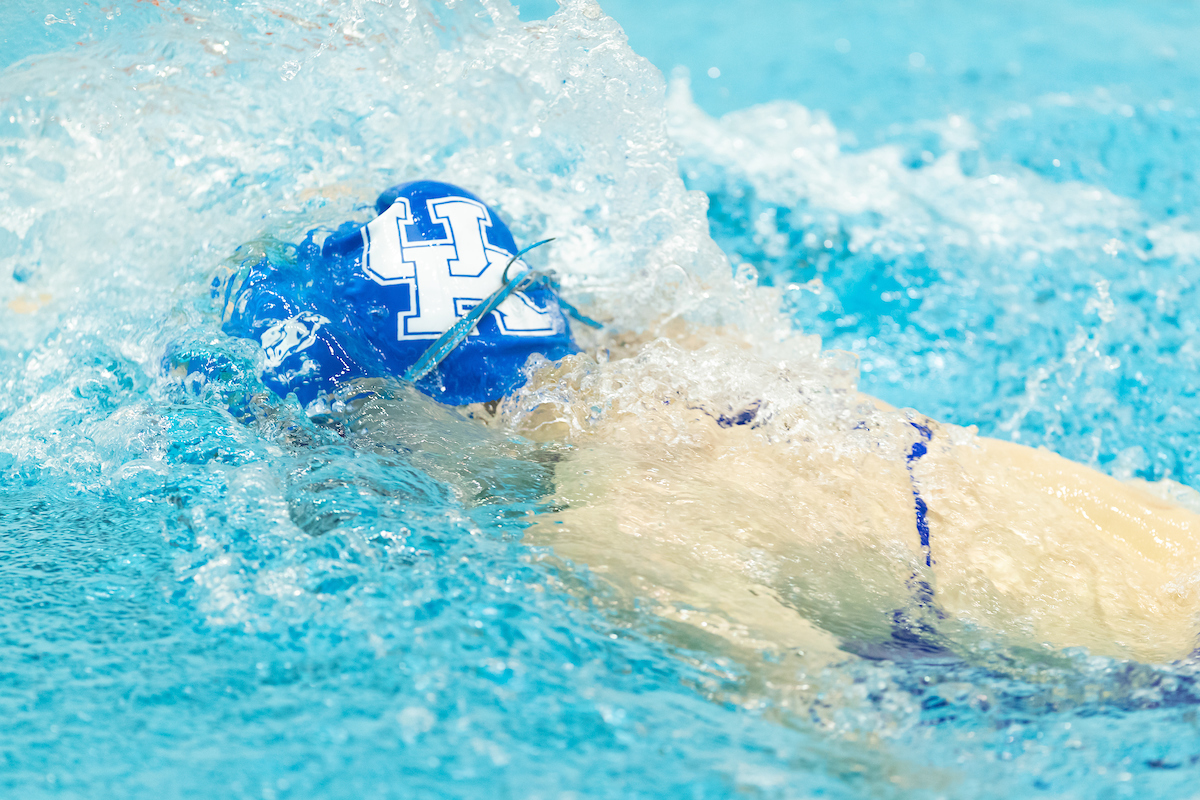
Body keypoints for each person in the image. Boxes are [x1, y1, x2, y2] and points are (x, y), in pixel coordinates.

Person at [180, 179, 1200, 665]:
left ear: (400, 405)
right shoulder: (692, 349)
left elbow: (852, 743)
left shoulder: (614, 530)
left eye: (353, 425)